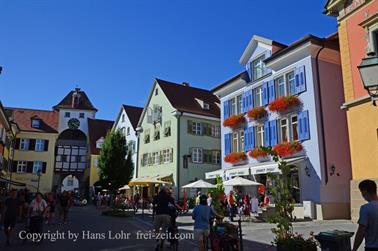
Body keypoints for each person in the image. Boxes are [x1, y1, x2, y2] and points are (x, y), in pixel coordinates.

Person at [352, 180, 378, 251]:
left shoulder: (365, 208)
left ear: (365, 191)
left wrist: (354, 249)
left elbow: (361, 232)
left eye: (361, 192)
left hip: (372, 248)